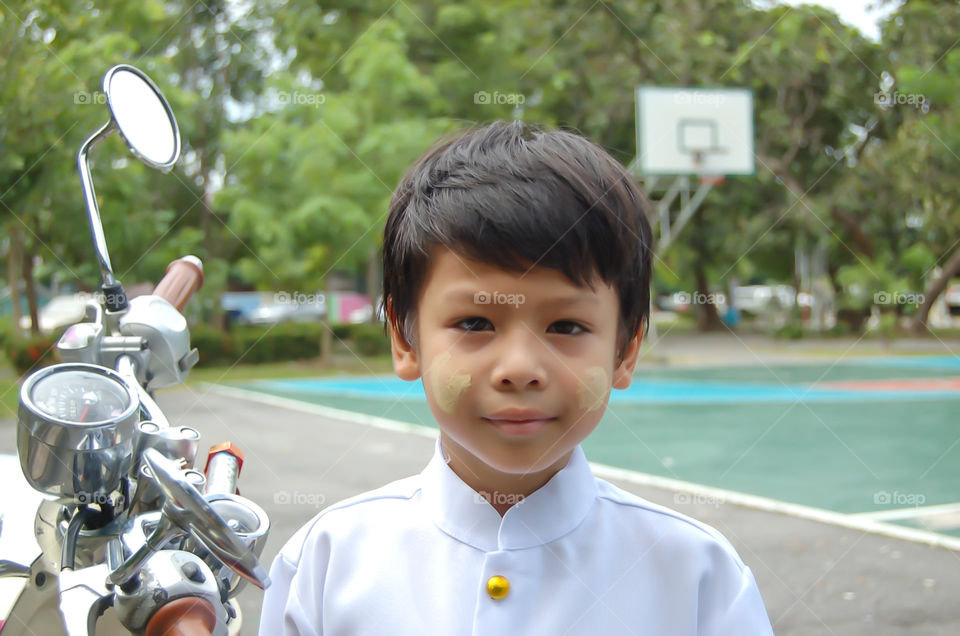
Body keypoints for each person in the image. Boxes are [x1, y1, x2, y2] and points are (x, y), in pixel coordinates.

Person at [258, 120, 774, 635]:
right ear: (403, 338)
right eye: (475, 323)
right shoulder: (325, 563)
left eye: (566, 326)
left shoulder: (697, 575)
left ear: (626, 349)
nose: (521, 369)